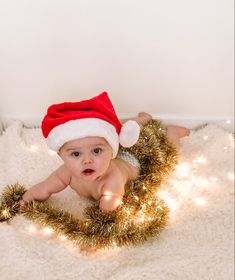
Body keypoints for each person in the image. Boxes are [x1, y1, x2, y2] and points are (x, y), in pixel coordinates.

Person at [20, 92, 190, 213]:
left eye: (96, 151)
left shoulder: (112, 180)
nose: (87, 160)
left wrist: (94, 239)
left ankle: (171, 132)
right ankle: (139, 121)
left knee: (168, 160)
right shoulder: (65, 173)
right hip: (113, 148)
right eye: (76, 154)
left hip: (134, 161)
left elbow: (107, 211)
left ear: (110, 150)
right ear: (61, 155)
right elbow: (44, 189)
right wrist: (24, 200)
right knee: (114, 129)